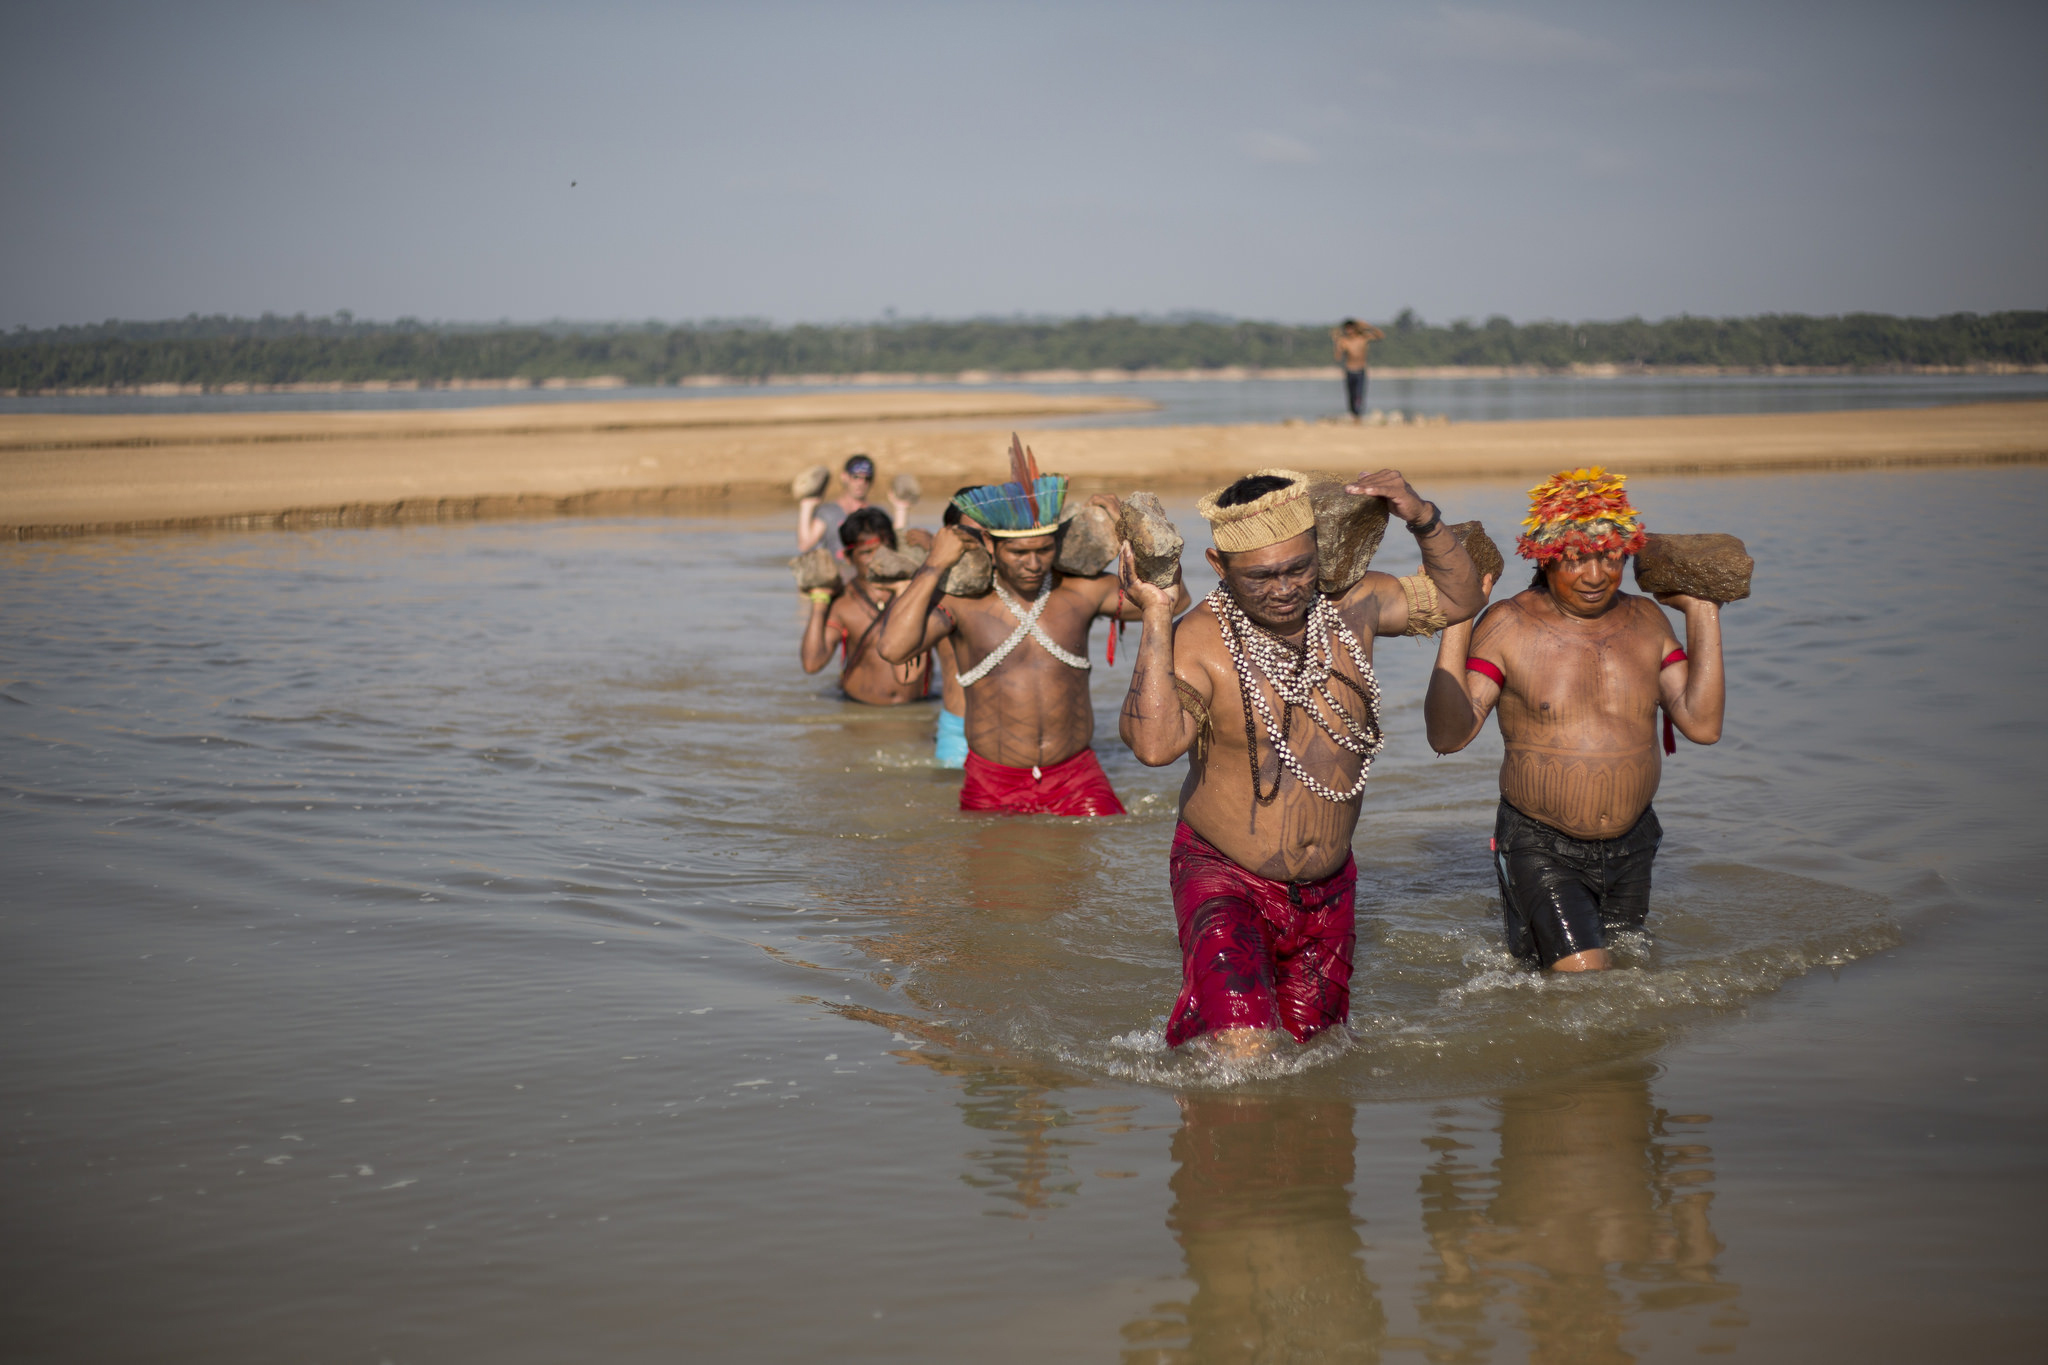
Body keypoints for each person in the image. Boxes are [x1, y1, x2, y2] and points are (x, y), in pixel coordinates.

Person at [1117, 468, 1483, 1057]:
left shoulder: (1355, 605)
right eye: (1261, 576)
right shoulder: (1199, 638)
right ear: (1219, 565)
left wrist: (1422, 517)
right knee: (1245, 1053)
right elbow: (1155, 747)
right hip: (1223, 876)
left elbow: (1460, 598)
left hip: (1328, 888)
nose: (1285, 588)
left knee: (1315, 1063)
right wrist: (1156, 614)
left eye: (1298, 567)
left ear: (1317, 550)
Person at [1423, 467, 1724, 973]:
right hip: (1541, 846)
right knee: (1589, 982)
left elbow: (1702, 725)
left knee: (1622, 983)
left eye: (1609, 556)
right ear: (1544, 557)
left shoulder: (1648, 621)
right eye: (1575, 558)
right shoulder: (1508, 626)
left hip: (1635, 842)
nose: (1595, 575)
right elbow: (1447, 736)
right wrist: (1458, 619)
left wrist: (1702, 611)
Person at [879, 443, 1185, 815]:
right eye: (1019, 553)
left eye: (1043, 550)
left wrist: (1130, 534)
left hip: (1076, 775)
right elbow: (893, 647)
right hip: (992, 780)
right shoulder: (964, 603)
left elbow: (1172, 601)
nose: (1033, 563)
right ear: (991, 546)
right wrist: (934, 563)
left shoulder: (1079, 590)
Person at [799, 507, 931, 705]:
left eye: (884, 549)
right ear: (849, 557)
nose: (877, 559)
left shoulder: (918, 594)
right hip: (860, 712)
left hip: (917, 709)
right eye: (867, 552)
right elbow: (812, 664)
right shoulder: (843, 603)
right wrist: (820, 600)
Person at [930, 492, 975, 769]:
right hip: (957, 731)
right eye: (971, 533)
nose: (981, 541)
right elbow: (897, 659)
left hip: (1017, 734)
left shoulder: (1023, 584)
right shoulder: (937, 592)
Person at [796, 453, 914, 553]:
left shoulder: (876, 514)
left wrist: (901, 509)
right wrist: (807, 506)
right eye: (856, 477)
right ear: (844, 477)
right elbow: (805, 546)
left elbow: (897, 546)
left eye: (866, 479)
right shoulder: (828, 512)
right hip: (838, 572)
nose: (860, 483)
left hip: (867, 572)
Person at [1331, 318, 1385, 422]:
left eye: (1351, 328)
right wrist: (1337, 344)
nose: (1349, 331)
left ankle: (1358, 414)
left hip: (1361, 370)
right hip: (1349, 370)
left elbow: (1380, 336)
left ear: (1355, 328)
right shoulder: (1344, 341)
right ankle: (1353, 414)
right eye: (1347, 329)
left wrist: (1368, 326)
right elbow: (1337, 357)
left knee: (1359, 394)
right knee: (1351, 394)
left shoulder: (1363, 338)